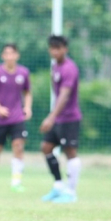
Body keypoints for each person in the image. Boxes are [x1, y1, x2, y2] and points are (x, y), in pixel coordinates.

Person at [40, 35, 82, 203]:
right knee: (46, 147)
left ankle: (71, 192)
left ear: (65, 48)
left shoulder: (69, 68)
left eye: (58, 48)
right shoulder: (55, 67)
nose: (55, 51)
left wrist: (51, 117)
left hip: (69, 118)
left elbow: (64, 95)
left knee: (70, 152)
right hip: (59, 118)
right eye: (52, 48)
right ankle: (58, 185)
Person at [0, 43, 32, 192]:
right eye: (6, 53)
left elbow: (27, 92)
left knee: (18, 147)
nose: (9, 56)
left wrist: (27, 107)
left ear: (17, 55)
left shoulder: (23, 73)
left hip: (17, 118)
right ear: (2, 56)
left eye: (12, 53)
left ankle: (16, 182)